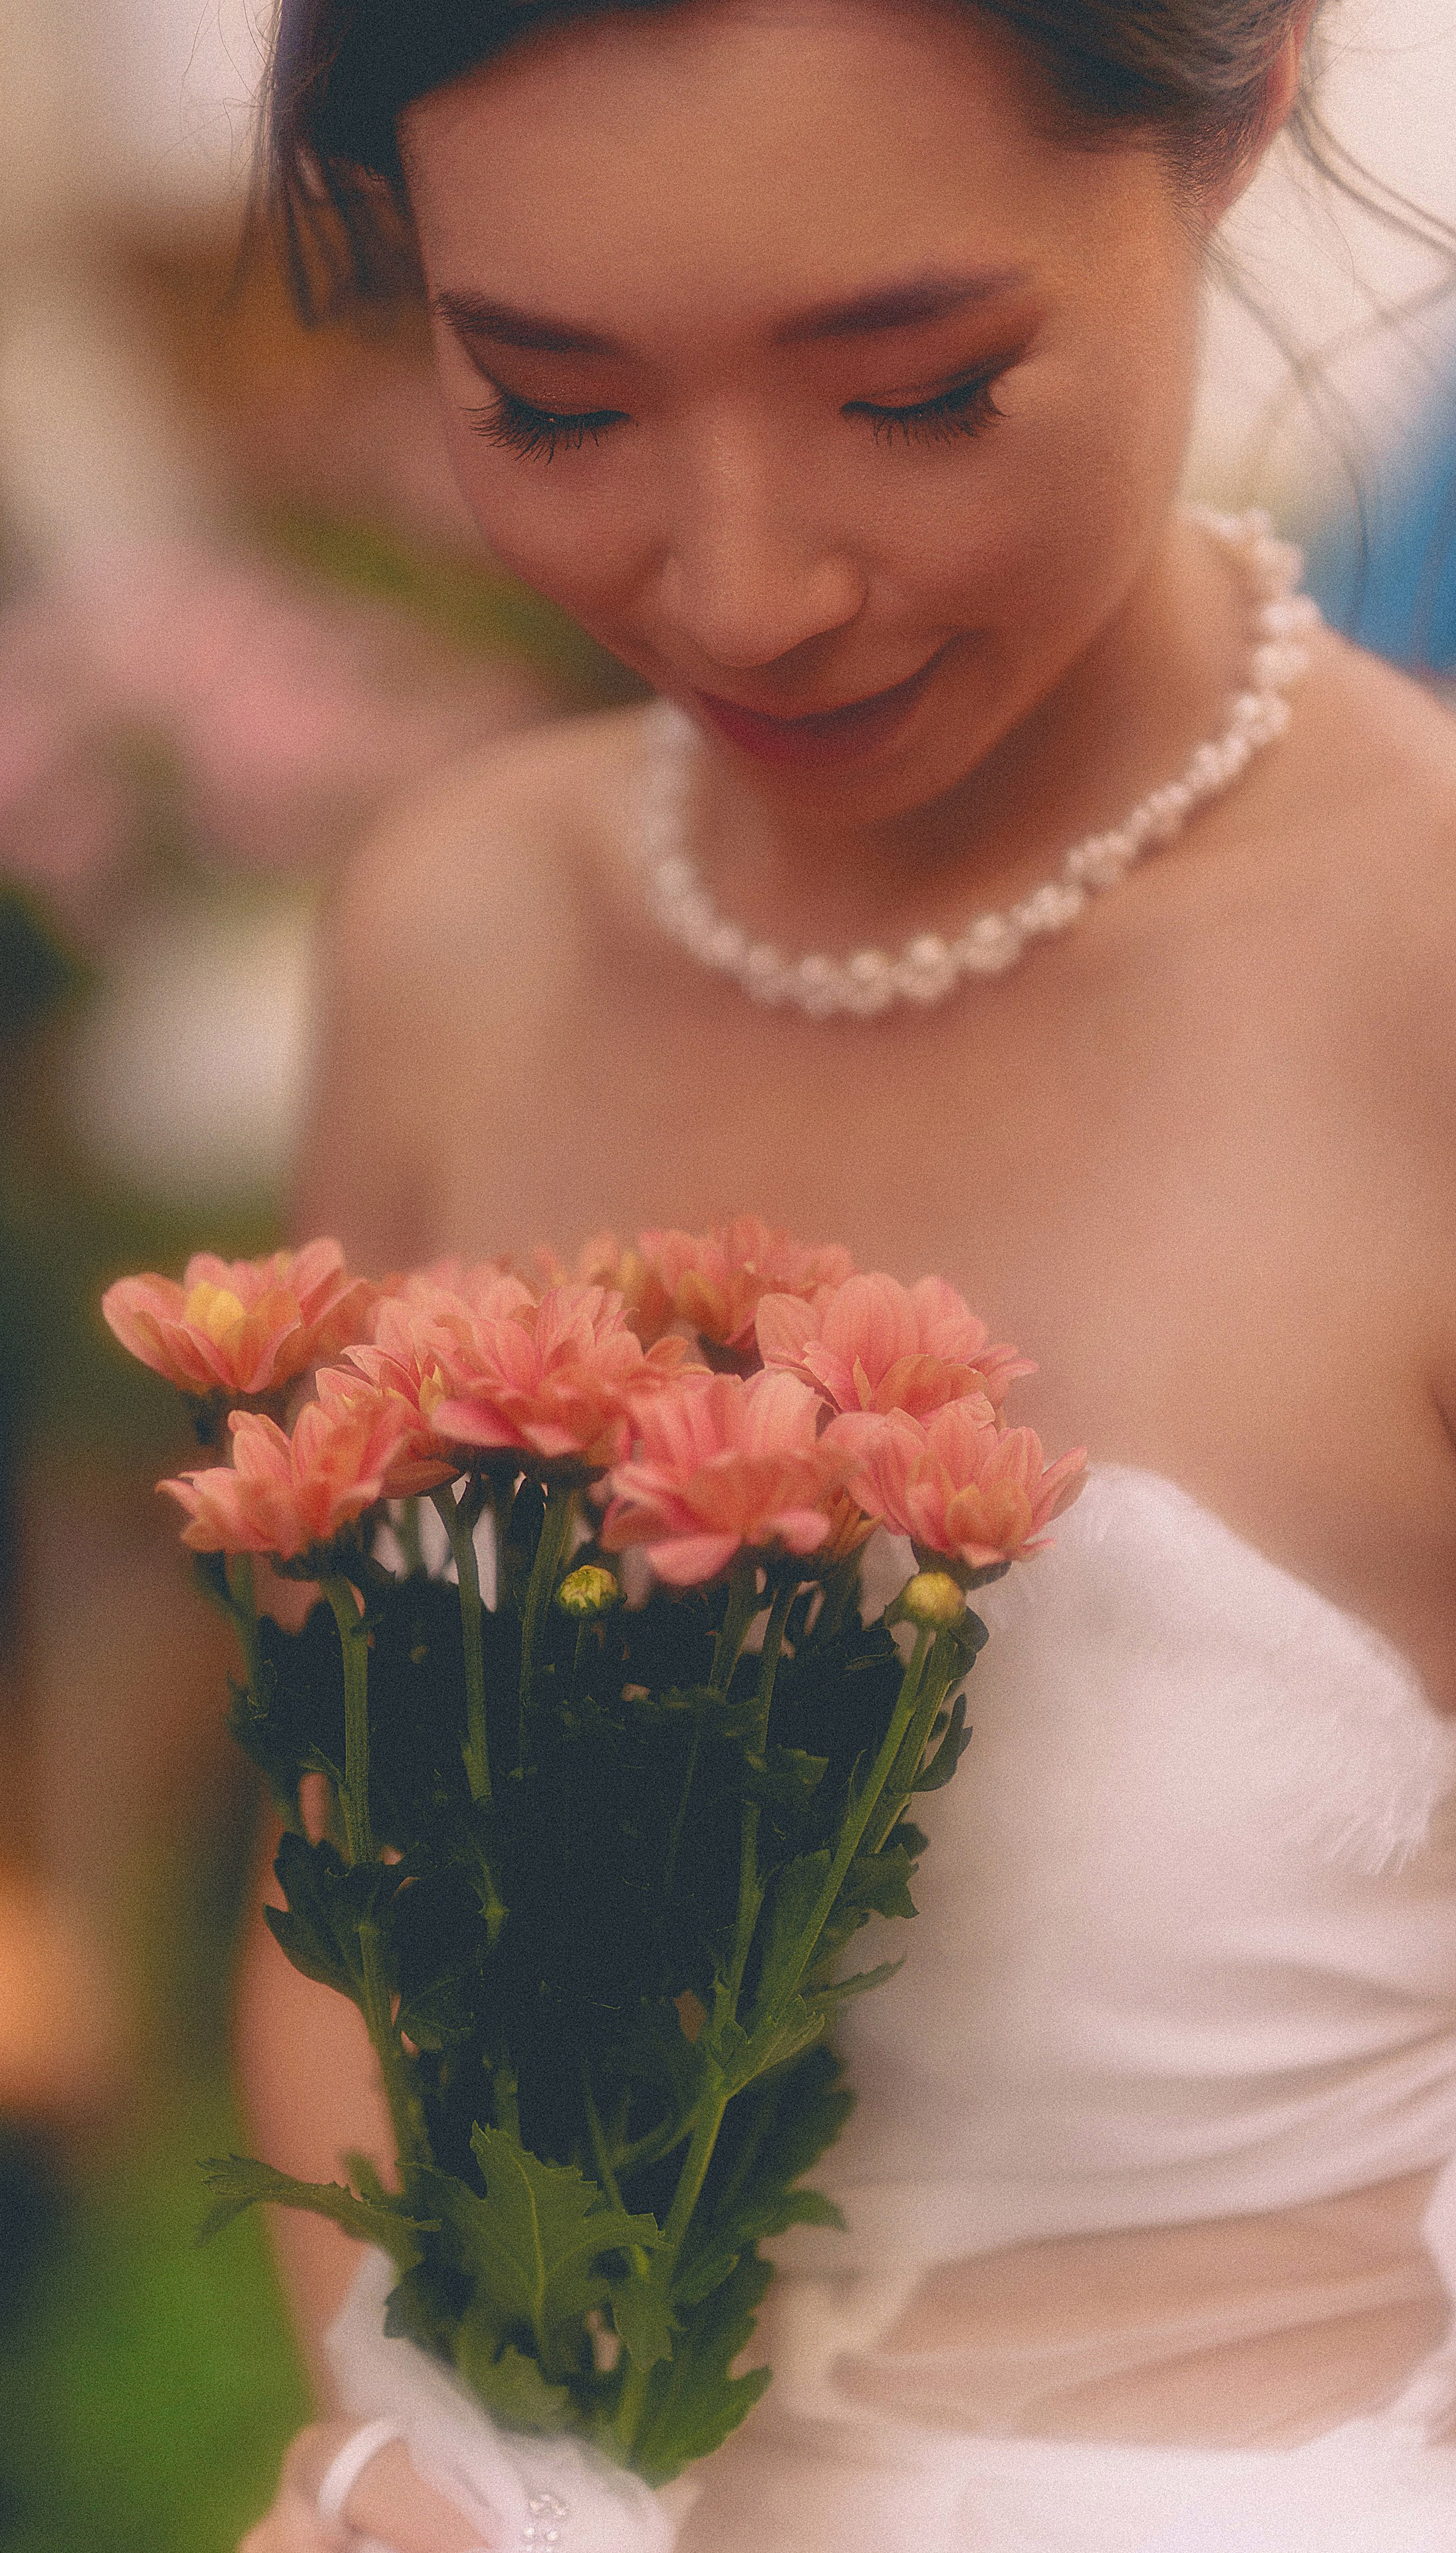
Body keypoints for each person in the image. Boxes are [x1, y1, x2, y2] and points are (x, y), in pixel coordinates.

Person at [235, 1, 1456, 2543]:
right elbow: (334, 1866)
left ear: (1239, 113)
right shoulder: (457, 932)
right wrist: (410, 2452)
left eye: (916, 391)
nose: (745, 591)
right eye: (553, 406)